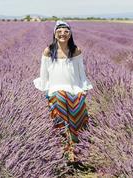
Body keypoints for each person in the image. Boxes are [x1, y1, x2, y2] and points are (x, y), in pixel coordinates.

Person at [33, 20, 93, 162]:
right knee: (60, 111)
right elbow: (44, 75)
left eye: (66, 31)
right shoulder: (48, 51)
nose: (63, 34)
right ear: (54, 33)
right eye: (59, 31)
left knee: (79, 112)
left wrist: (83, 89)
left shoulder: (75, 50)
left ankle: (78, 149)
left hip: (73, 88)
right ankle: (64, 149)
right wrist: (46, 90)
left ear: (70, 34)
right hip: (55, 90)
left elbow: (81, 73)